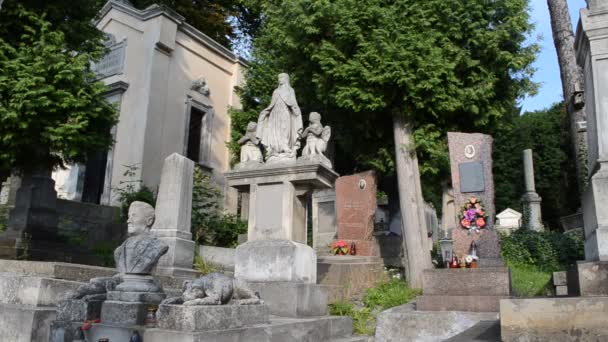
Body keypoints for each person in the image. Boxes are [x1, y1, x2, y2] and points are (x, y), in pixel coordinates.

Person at [256, 73, 303, 161]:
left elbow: (293, 103)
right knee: (275, 132)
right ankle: (275, 150)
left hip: (285, 113)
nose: (279, 79)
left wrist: (297, 112)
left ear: (286, 79)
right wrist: (265, 112)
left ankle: (286, 148)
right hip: (275, 114)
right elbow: (272, 104)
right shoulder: (275, 91)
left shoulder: (290, 90)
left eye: (281, 77)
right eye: (278, 78)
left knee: (285, 131)